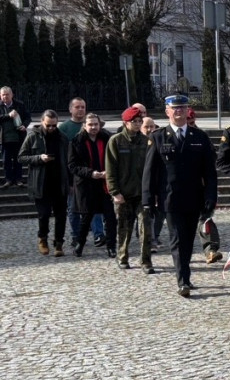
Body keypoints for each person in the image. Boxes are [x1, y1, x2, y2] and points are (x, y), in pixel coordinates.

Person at [142, 95, 218, 297]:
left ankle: (185, 274)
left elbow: (209, 172)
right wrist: (148, 200)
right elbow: (149, 172)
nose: (179, 111)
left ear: (187, 111)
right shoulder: (158, 137)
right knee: (176, 239)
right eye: (174, 108)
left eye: (182, 108)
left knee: (188, 240)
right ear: (167, 111)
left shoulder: (199, 137)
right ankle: (182, 280)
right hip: (170, 199)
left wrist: (211, 196)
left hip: (194, 198)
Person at [106, 106, 153, 273]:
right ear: (126, 123)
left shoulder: (146, 141)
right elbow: (110, 169)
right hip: (123, 193)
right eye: (135, 122)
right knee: (124, 228)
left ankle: (146, 260)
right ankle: (122, 256)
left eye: (140, 121)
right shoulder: (116, 141)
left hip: (142, 194)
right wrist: (114, 192)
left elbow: (151, 168)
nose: (138, 124)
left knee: (146, 228)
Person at [19, 109, 69, 256]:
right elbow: (21, 157)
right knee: (44, 214)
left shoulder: (62, 138)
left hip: (59, 182)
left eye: (54, 125)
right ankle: (43, 239)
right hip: (40, 183)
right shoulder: (33, 137)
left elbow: (68, 161)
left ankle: (59, 243)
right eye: (48, 125)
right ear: (42, 122)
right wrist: (38, 158)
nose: (52, 128)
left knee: (61, 216)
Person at [68, 113, 116, 259]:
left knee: (110, 216)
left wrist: (109, 172)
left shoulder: (107, 138)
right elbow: (72, 165)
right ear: (84, 126)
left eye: (96, 124)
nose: (94, 127)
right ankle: (80, 244)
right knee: (87, 216)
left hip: (105, 183)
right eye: (90, 125)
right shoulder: (76, 141)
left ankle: (111, 246)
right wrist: (90, 173)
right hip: (87, 184)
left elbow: (116, 158)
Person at [187, 108, 223, 264]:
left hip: (200, 186)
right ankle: (182, 254)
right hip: (180, 190)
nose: (191, 125)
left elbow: (211, 162)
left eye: (193, 122)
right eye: (189, 123)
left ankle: (210, 250)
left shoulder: (201, 137)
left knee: (205, 219)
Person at [139, 115, 163, 249]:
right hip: (142, 184)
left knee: (159, 214)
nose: (149, 129)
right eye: (146, 127)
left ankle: (155, 237)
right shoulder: (139, 143)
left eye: (151, 126)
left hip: (158, 182)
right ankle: (149, 240)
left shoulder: (159, 139)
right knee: (146, 214)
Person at [0, 86, 30, 188]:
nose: (5, 97)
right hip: (4, 138)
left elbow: (27, 117)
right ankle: (8, 179)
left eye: (7, 94)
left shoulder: (19, 105)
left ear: (12, 95)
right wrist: (8, 116)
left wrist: (24, 125)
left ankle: (18, 179)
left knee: (18, 159)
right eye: (3, 94)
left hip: (18, 137)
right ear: (0, 96)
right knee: (6, 160)